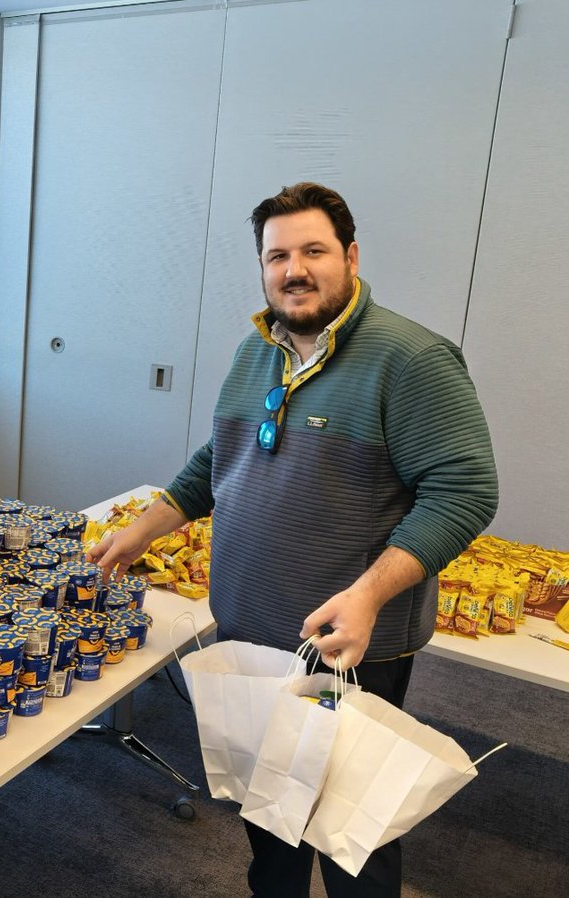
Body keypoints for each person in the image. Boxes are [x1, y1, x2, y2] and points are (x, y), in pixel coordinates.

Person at [89, 182, 498, 898]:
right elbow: (217, 464)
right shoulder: (258, 353)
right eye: (277, 255)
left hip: (346, 646)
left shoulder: (412, 360)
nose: (294, 270)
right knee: (269, 814)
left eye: (313, 250)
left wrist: (369, 596)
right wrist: (140, 532)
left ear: (351, 256)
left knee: (350, 835)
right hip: (248, 633)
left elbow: (465, 492)